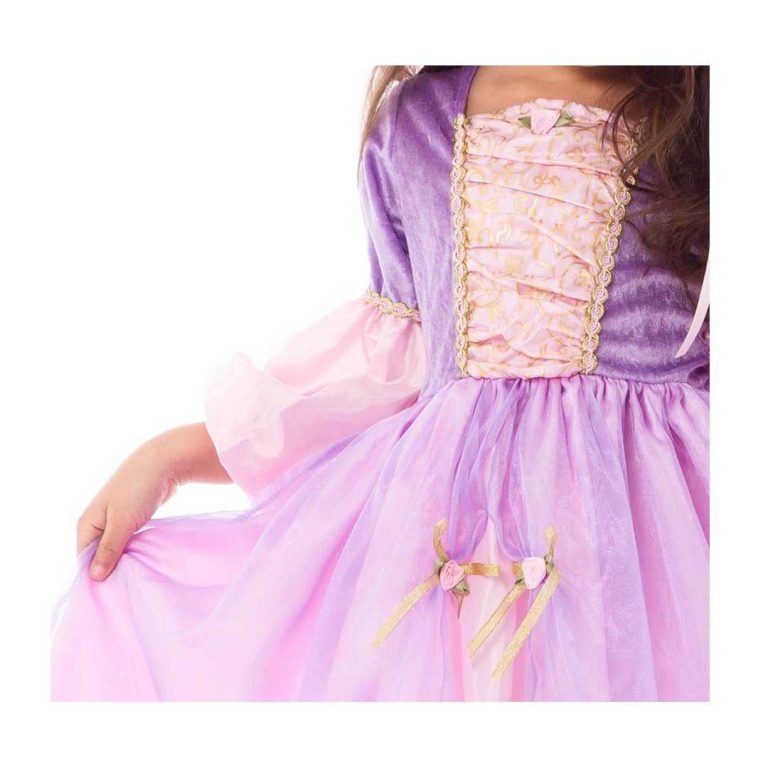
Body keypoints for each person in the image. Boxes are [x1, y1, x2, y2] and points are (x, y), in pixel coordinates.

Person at [50, 65, 709, 701]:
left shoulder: (705, 120)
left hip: (655, 540)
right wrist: (170, 458)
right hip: (458, 536)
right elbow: (379, 374)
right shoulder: (416, 125)